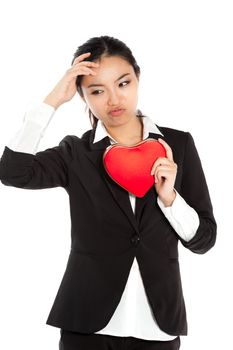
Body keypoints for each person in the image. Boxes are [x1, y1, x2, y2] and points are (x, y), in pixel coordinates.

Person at [0, 35, 217, 350]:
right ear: (82, 96)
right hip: (86, 326)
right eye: (97, 90)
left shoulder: (178, 145)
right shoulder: (75, 152)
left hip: (158, 327)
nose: (114, 99)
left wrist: (170, 199)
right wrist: (52, 101)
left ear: (138, 78)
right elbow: (11, 172)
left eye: (123, 83)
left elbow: (205, 240)